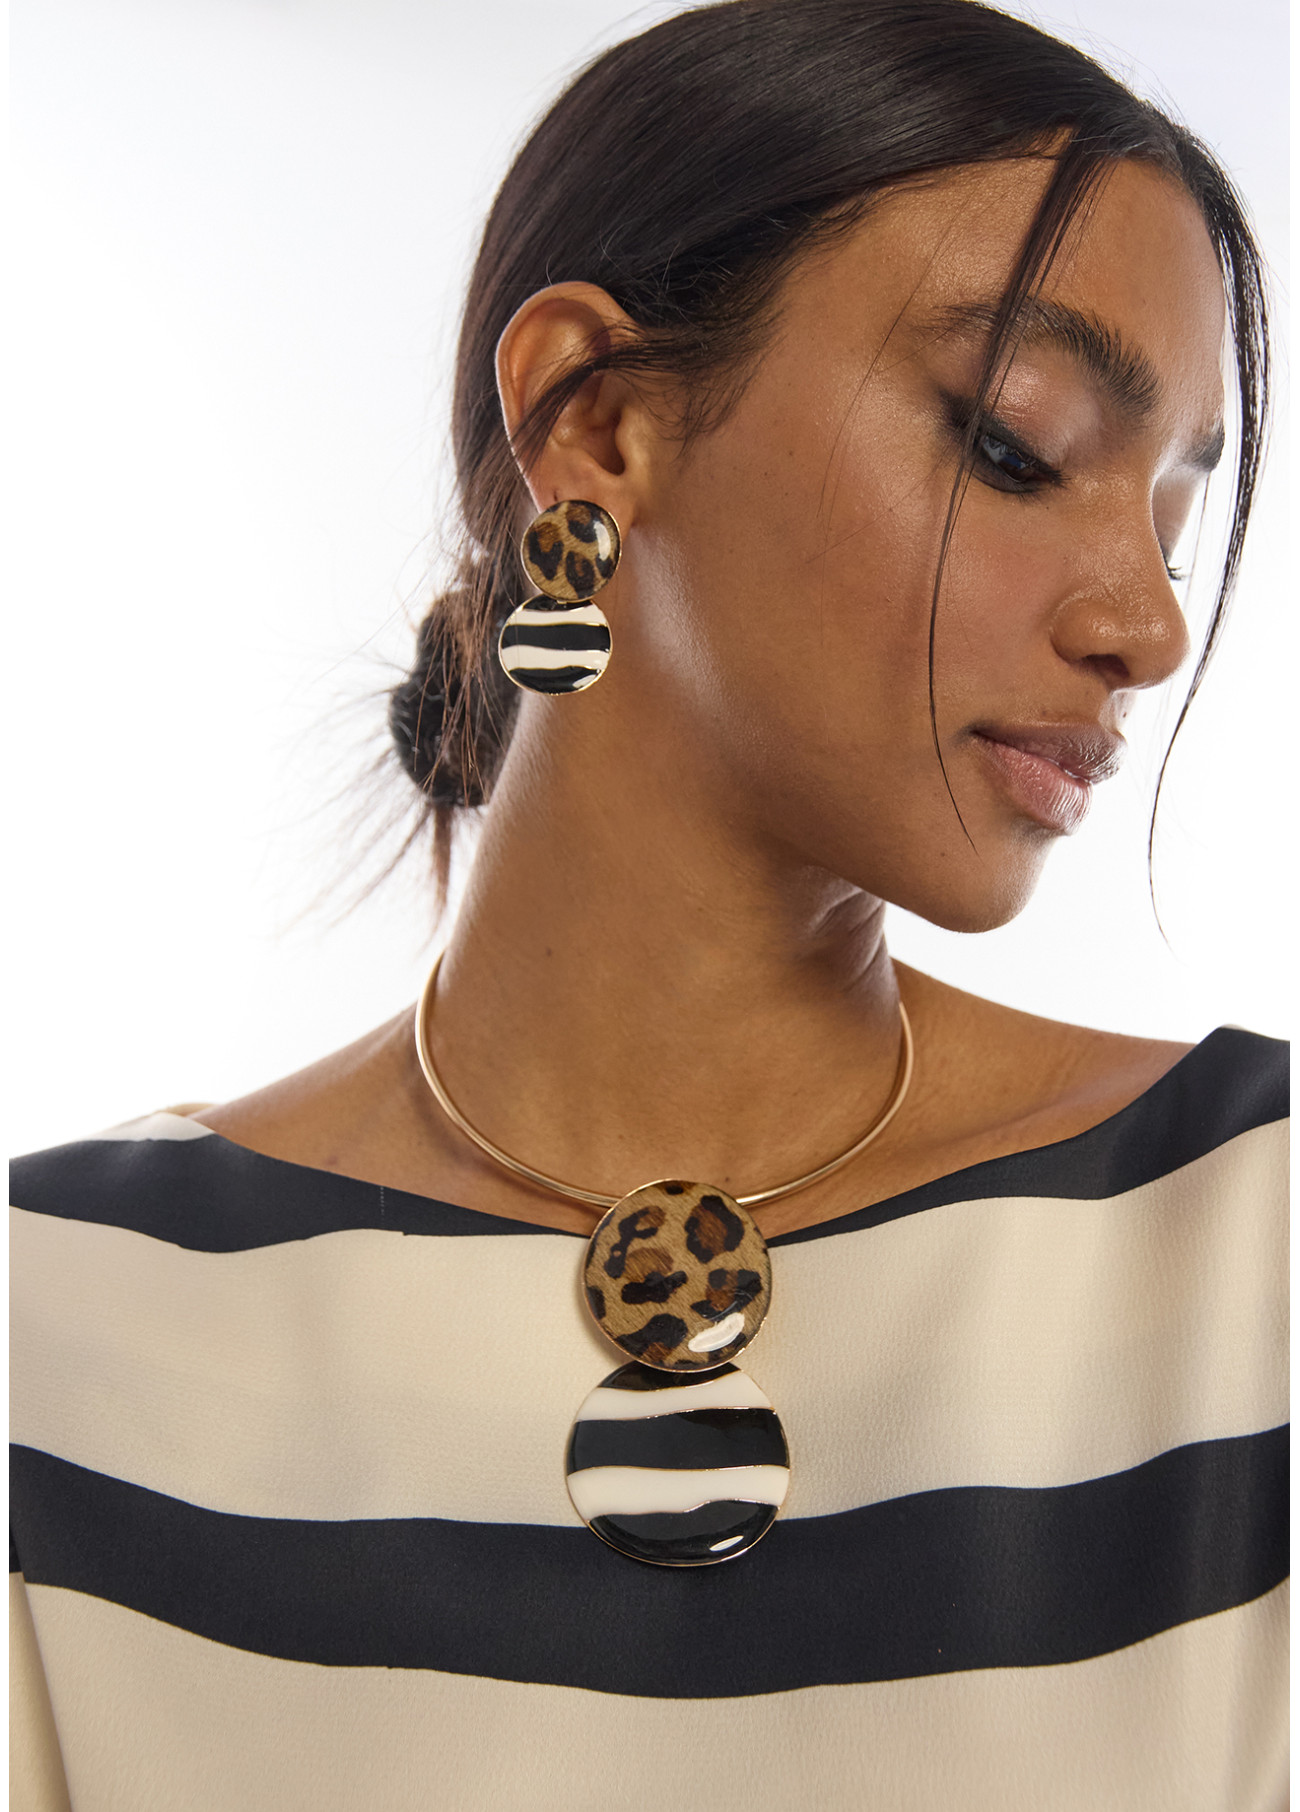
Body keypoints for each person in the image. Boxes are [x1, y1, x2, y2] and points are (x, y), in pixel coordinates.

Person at [10, 0, 1286, 1806]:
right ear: (598, 424)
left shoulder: (1250, 1241)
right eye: (1019, 444)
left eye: (1170, 514)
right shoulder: (59, 1326)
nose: (1148, 623)